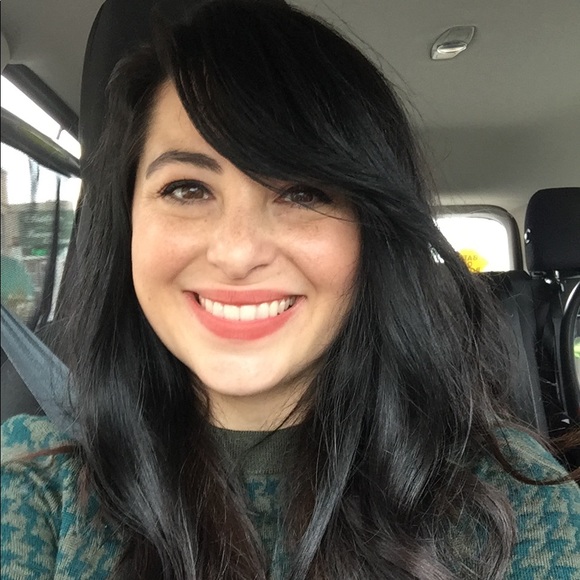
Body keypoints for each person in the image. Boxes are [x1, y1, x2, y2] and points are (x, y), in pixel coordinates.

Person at [2, 1, 579, 578]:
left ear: (373, 235)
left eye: (303, 193)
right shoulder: (34, 484)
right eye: (186, 189)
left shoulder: (511, 503)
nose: (237, 252)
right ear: (128, 222)